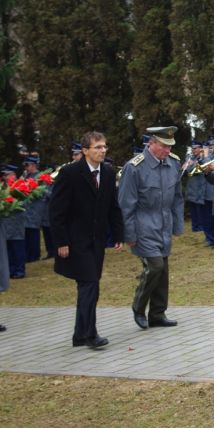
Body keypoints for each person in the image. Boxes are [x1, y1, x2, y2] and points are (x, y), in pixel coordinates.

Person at [49, 131, 124, 348]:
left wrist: (118, 234)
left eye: (104, 146)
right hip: (76, 241)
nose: (103, 151)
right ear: (85, 151)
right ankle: (90, 335)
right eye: (97, 147)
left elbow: (113, 207)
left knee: (90, 286)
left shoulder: (108, 173)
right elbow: (56, 212)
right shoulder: (70, 173)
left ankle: (80, 335)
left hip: (97, 241)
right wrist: (61, 241)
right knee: (90, 284)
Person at [118, 126, 184, 330]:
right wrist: (129, 234)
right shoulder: (134, 167)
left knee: (163, 270)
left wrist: (177, 225)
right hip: (143, 226)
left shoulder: (173, 163)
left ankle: (157, 314)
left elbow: (177, 197)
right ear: (151, 143)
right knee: (155, 266)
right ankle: (138, 307)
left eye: (170, 146)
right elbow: (126, 204)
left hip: (164, 225)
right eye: (164, 146)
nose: (167, 150)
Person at [1, 165, 27, 279]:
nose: (6, 177)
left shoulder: (20, 186)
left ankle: (19, 270)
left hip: (16, 221)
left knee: (17, 247)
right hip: (5, 222)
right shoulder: (3, 187)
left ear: (14, 175)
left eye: (8, 175)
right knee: (8, 248)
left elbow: (24, 202)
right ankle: (11, 270)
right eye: (5, 175)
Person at [21, 156, 44, 262]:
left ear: (34, 165)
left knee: (33, 232)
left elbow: (42, 192)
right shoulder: (26, 176)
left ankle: (34, 255)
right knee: (27, 232)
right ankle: (28, 254)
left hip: (35, 207)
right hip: (26, 208)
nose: (26, 167)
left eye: (27, 165)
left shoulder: (40, 177)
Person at [183, 140, 206, 232]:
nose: (193, 150)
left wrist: (191, 165)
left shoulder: (203, 158)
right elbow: (186, 170)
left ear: (200, 149)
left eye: (195, 148)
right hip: (191, 187)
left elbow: (197, 170)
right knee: (192, 208)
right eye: (192, 148)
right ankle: (195, 226)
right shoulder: (190, 157)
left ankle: (201, 226)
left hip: (200, 186)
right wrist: (190, 165)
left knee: (200, 208)